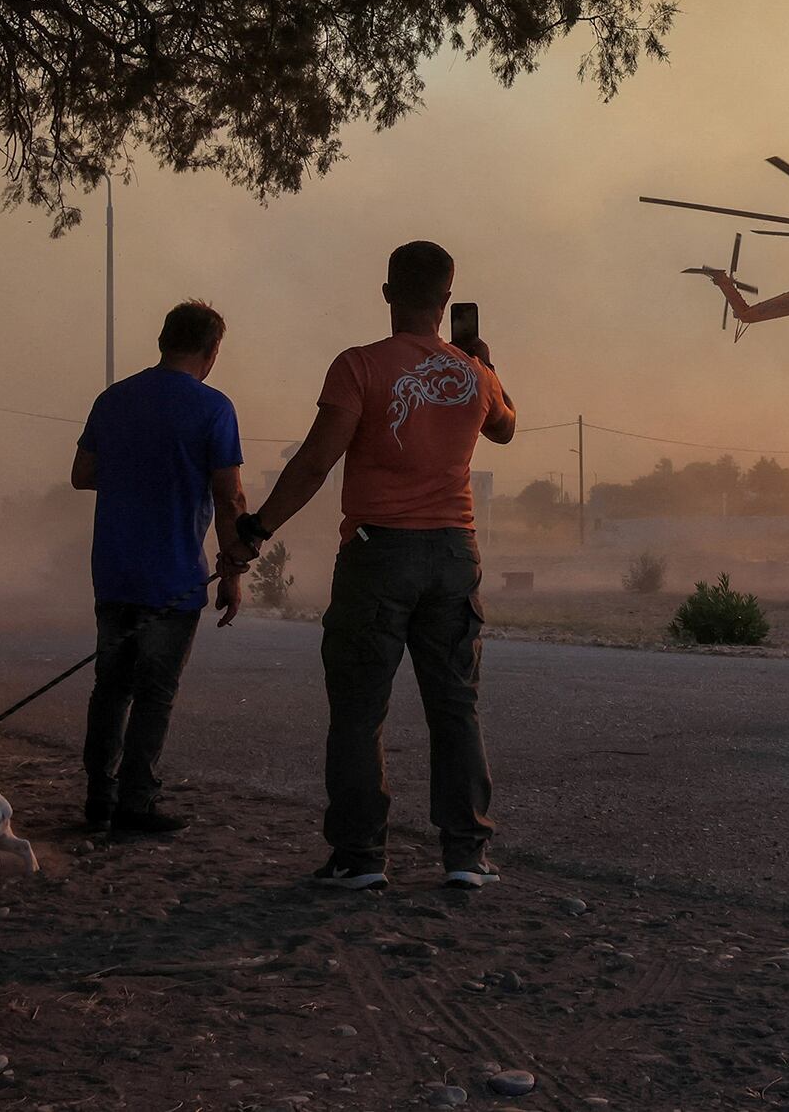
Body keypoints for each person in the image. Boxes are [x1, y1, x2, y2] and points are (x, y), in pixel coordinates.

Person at [225, 241, 515, 891]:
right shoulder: (473, 373)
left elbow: (314, 462)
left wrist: (257, 530)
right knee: (456, 706)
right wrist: (485, 362)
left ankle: (359, 857)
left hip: (378, 552)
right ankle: (467, 854)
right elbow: (506, 427)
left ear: (387, 292)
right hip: (454, 552)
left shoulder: (358, 366)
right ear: (447, 299)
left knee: (359, 708)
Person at [71, 301, 245, 835]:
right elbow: (230, 497)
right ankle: (137, 801)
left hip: (114, 571)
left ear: (163, 340)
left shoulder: (114, 399)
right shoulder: (213, 408)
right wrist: (233, 571)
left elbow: (83, 473)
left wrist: (134, 471)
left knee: (110, 688)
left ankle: (99, 796)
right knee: (155, 693)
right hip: (174, 577)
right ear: (211, 351)